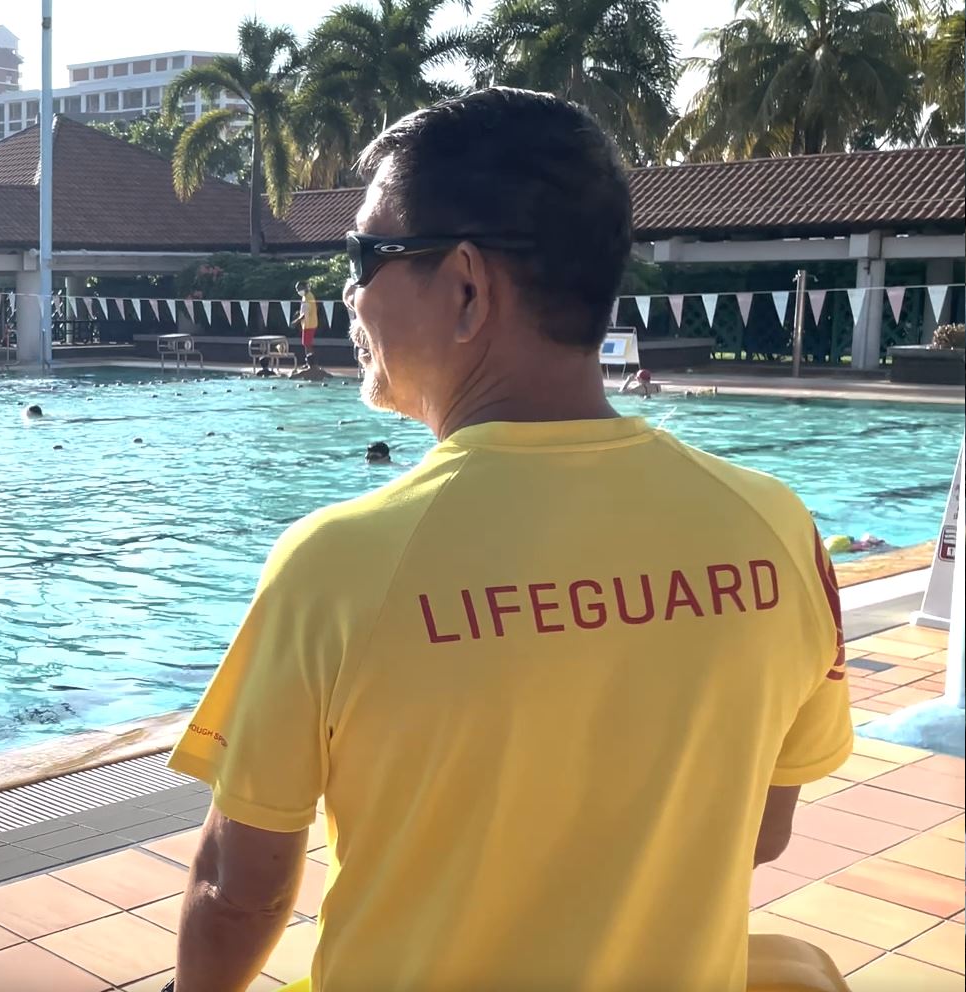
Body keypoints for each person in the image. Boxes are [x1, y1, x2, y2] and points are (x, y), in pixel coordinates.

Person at [167, 88, 849, 992]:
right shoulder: (775, 528)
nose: (349, 292)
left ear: (463, 286)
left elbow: (236, 891)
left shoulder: (339, 564)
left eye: (363, 255)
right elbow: (760, 832)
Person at [297, 280, 320, 363]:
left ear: (305, 288)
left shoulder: (308, 297)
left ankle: (310, 363)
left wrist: (296, 321)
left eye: (299, 288)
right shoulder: (305, 296)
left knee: (307, 345)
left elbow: (305, 313)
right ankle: (309, 362)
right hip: (307, 324)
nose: (298, 291)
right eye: (297, 289)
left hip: (309, 324)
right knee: (306, 344)